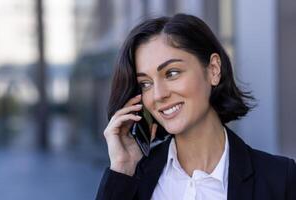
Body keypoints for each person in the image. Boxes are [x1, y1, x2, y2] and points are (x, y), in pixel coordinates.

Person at [96, 13, 296, 200]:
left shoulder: (279, 178)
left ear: (213, 70)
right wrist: (122, 169)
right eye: (145, 84)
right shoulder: (133, 180)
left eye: (172, 73)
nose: (158, 95)